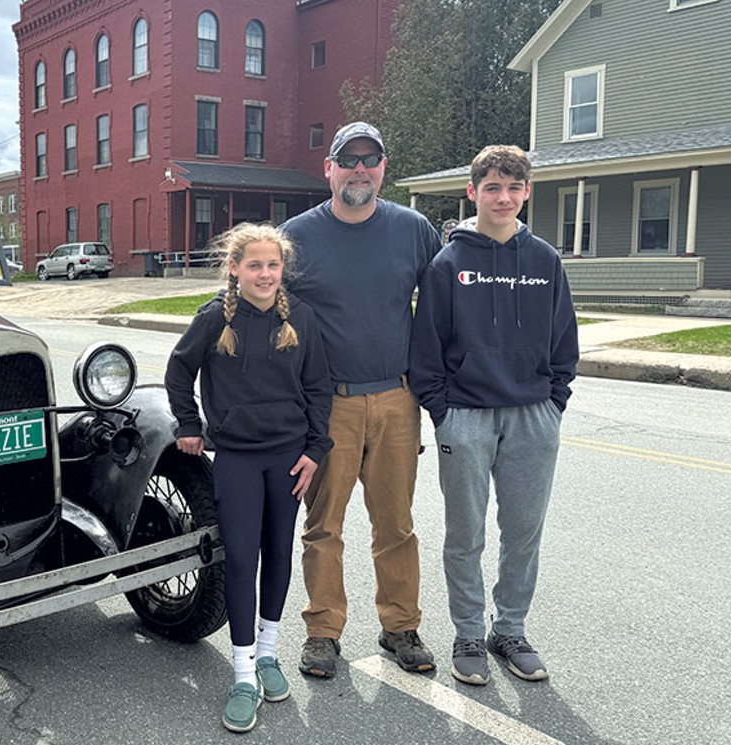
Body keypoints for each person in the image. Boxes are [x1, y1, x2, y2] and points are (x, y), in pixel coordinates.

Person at [409, 145, 578, 686]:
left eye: (513, 188)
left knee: (524, 531)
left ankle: (509, 630)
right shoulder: (448, 263)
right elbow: (426, 350)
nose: (503, 198)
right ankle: (467, 634)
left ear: (527, 192)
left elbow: (564, 340)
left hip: (532, 415)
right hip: (467, 417)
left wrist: (554, 403)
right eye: (492, 188)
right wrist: (444, 414)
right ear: (473, 192)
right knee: (466, 535)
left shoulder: (545, 260)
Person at [279, 121, 441, 678]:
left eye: (371, 160)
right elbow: (266, 316)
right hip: (330, 407)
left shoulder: (414, 229)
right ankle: (323, 631)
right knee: (324, 525)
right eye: (349, 159)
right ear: (329, 167)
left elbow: (444, 311)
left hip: (398, 400)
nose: (360, 170)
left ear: (383, 169)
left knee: (395, 523)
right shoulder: (295, 237)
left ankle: (401, 626)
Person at [165, 222, 333, 733]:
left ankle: (267, 654)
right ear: (234, 269)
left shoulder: (300, 317)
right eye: (254, 265)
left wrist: (315, 450)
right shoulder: (216, 317)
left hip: (287, 459)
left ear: (283, 270)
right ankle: (242, 674)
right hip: (237, 458)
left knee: (279, 553)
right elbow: (178, 371)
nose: (265, 273)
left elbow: (320, 387)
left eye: (273, 265)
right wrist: (190, 427)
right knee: (241, 559)